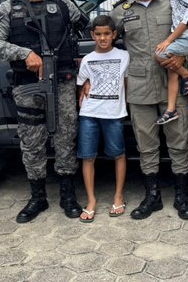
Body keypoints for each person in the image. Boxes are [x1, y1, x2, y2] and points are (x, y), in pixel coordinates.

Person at [0, 0, 84, 223]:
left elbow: (89, 29)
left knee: (65, 138)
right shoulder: (8, 9)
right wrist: (24, 53)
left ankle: (67, 195)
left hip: (62, 83)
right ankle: (38, 198)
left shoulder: (64, 6)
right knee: (31, 142)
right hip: (28, 86)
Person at [110, 0, 188, 221]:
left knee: (179, 142)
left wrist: (183, 58)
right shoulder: (119, 11)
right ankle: (152, 196)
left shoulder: (172, 4)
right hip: (139, 86)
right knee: (146, 145)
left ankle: (182, 197)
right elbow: (106, 41)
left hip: (171, 82)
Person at [76, 15, 129, 223]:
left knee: (118, 154)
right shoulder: (88, 59)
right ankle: (91, 200)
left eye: (107, 33)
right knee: (87, 156)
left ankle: (118, 196)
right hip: (89, 113)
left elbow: (128, 82)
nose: (103, 38)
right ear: (92, 35)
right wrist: (85, 85)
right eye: (98, 34)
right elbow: (82, 84)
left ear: (114, 34)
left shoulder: (124, 56)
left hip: (114, 113)